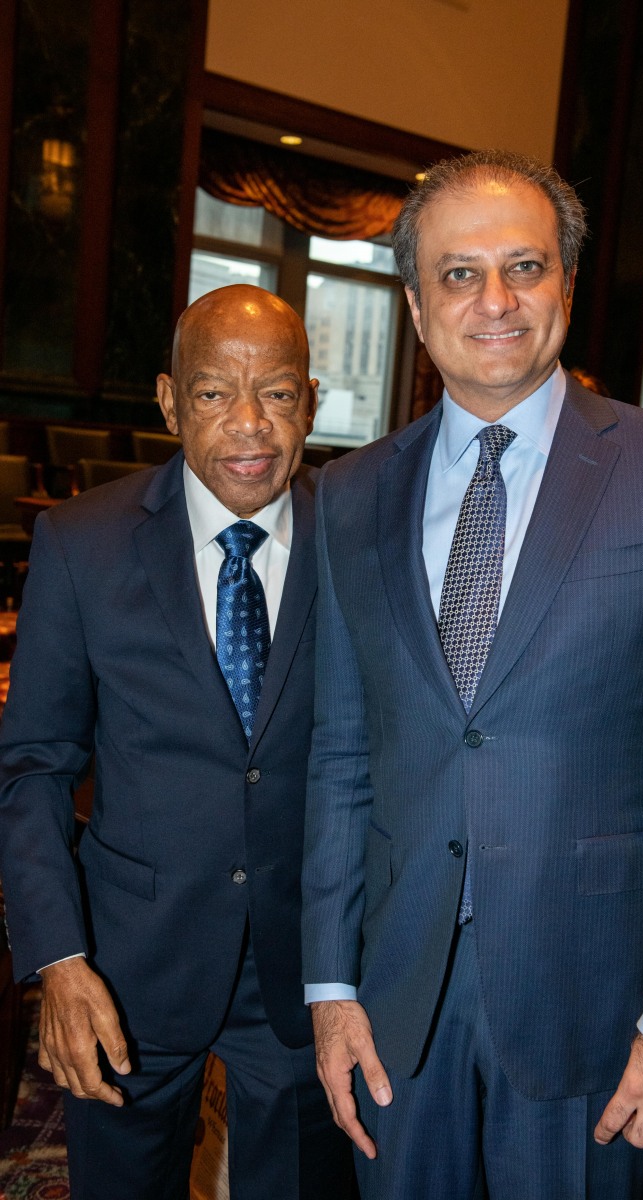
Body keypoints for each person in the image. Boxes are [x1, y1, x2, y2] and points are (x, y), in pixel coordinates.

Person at [301, 151, 643, 1200]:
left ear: (564, 282)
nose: (495, 300)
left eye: (523, 266)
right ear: (414, 304)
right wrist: (331, 985)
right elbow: (342, 755)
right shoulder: (348, 495)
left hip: (603, 1010)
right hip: (398, 1003)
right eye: (458, 273)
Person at [0, 285, 351, 1198]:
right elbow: (34, 766)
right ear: (167, 401)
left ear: (311, 402)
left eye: (278, 393)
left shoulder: (360, 540)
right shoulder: (81, 544)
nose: (250, 425)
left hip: (307, 966)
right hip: (129, 962)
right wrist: (59, 960)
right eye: (213, 394)